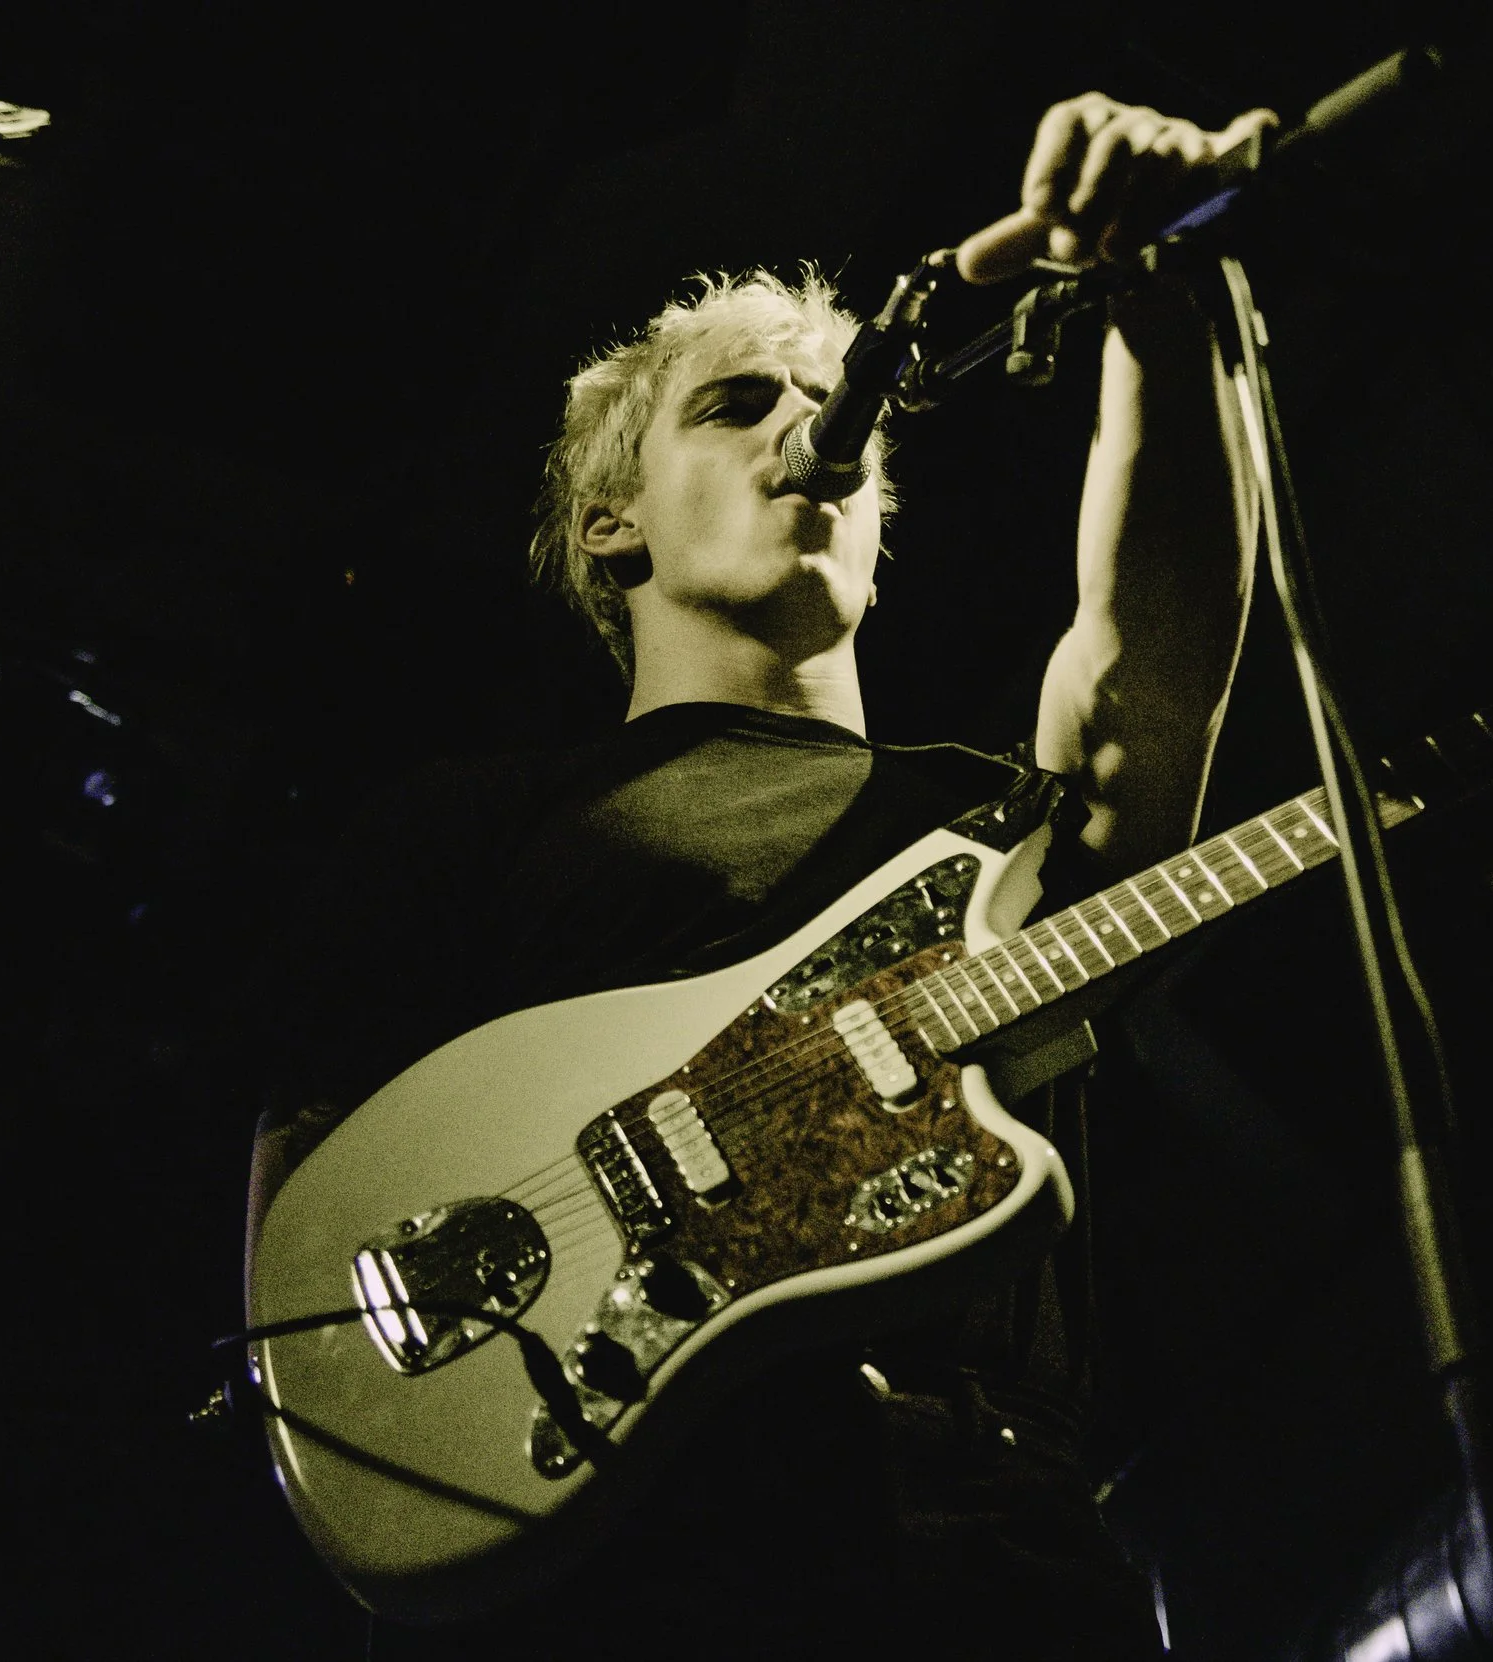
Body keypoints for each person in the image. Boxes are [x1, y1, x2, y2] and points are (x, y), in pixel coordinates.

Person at [247, 93, 1274, 1659]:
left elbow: (1150, 659)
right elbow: (316, 1251)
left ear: (876, 537)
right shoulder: (472, 823)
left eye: (833, 403)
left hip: (996, 1558)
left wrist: (1160, 297)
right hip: (651, 1565)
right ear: (612, 521)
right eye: (737, 405)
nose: (811, 428)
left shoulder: (983, 832)